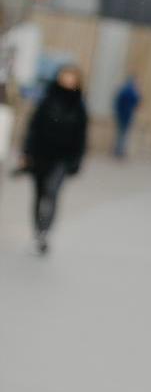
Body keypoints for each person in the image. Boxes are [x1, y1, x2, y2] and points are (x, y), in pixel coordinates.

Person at [19, 64, 89, 255]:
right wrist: (26, 152)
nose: (68, 79)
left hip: (62, 158)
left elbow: (81, 136)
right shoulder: (47, 99)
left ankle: (45, 232)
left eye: (71, 76)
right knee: (39, 194)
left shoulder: (79, 105)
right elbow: (33, 127)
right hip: (41, 155)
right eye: (65, 75)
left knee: (52, 192)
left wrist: (77, 160)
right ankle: (37, 229)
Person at [112, 75, 141, 159]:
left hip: (121, 114)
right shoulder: (132, 91)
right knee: (123, 134)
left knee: (120, 133)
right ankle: (120, 152)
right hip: (127, 115)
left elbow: (117, 101)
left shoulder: (123, 89)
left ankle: (118, 151)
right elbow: (137, 101)